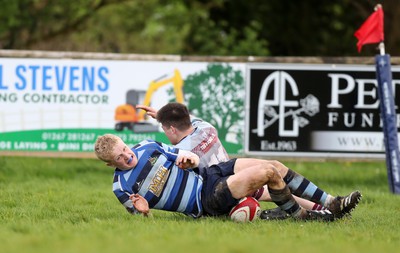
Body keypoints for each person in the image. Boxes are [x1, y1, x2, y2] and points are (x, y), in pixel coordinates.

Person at [137, 103, 360, 220]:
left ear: (172, 129)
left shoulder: (181, 152)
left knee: (265, 190)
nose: (166, 133)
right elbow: (184, 118)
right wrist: (161, 116)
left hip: (221, 187)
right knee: (271, 185)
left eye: (165, 129)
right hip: (230, 171)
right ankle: (328, 207)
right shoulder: (205, 127)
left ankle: (324, 210)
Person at [94, 134, 361, 222]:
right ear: (110, 164)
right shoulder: (122, 187)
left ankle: (332, 202)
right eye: (119, 158)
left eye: (124, 149)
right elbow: (140, 221)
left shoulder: (147, 146)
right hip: (206, 199)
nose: (127, 156)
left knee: (275, 165)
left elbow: (188, 157)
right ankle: (305, 218)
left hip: (210, 174)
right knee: (267, 174)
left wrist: (191, 159)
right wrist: (144, 212)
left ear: (125, 143)